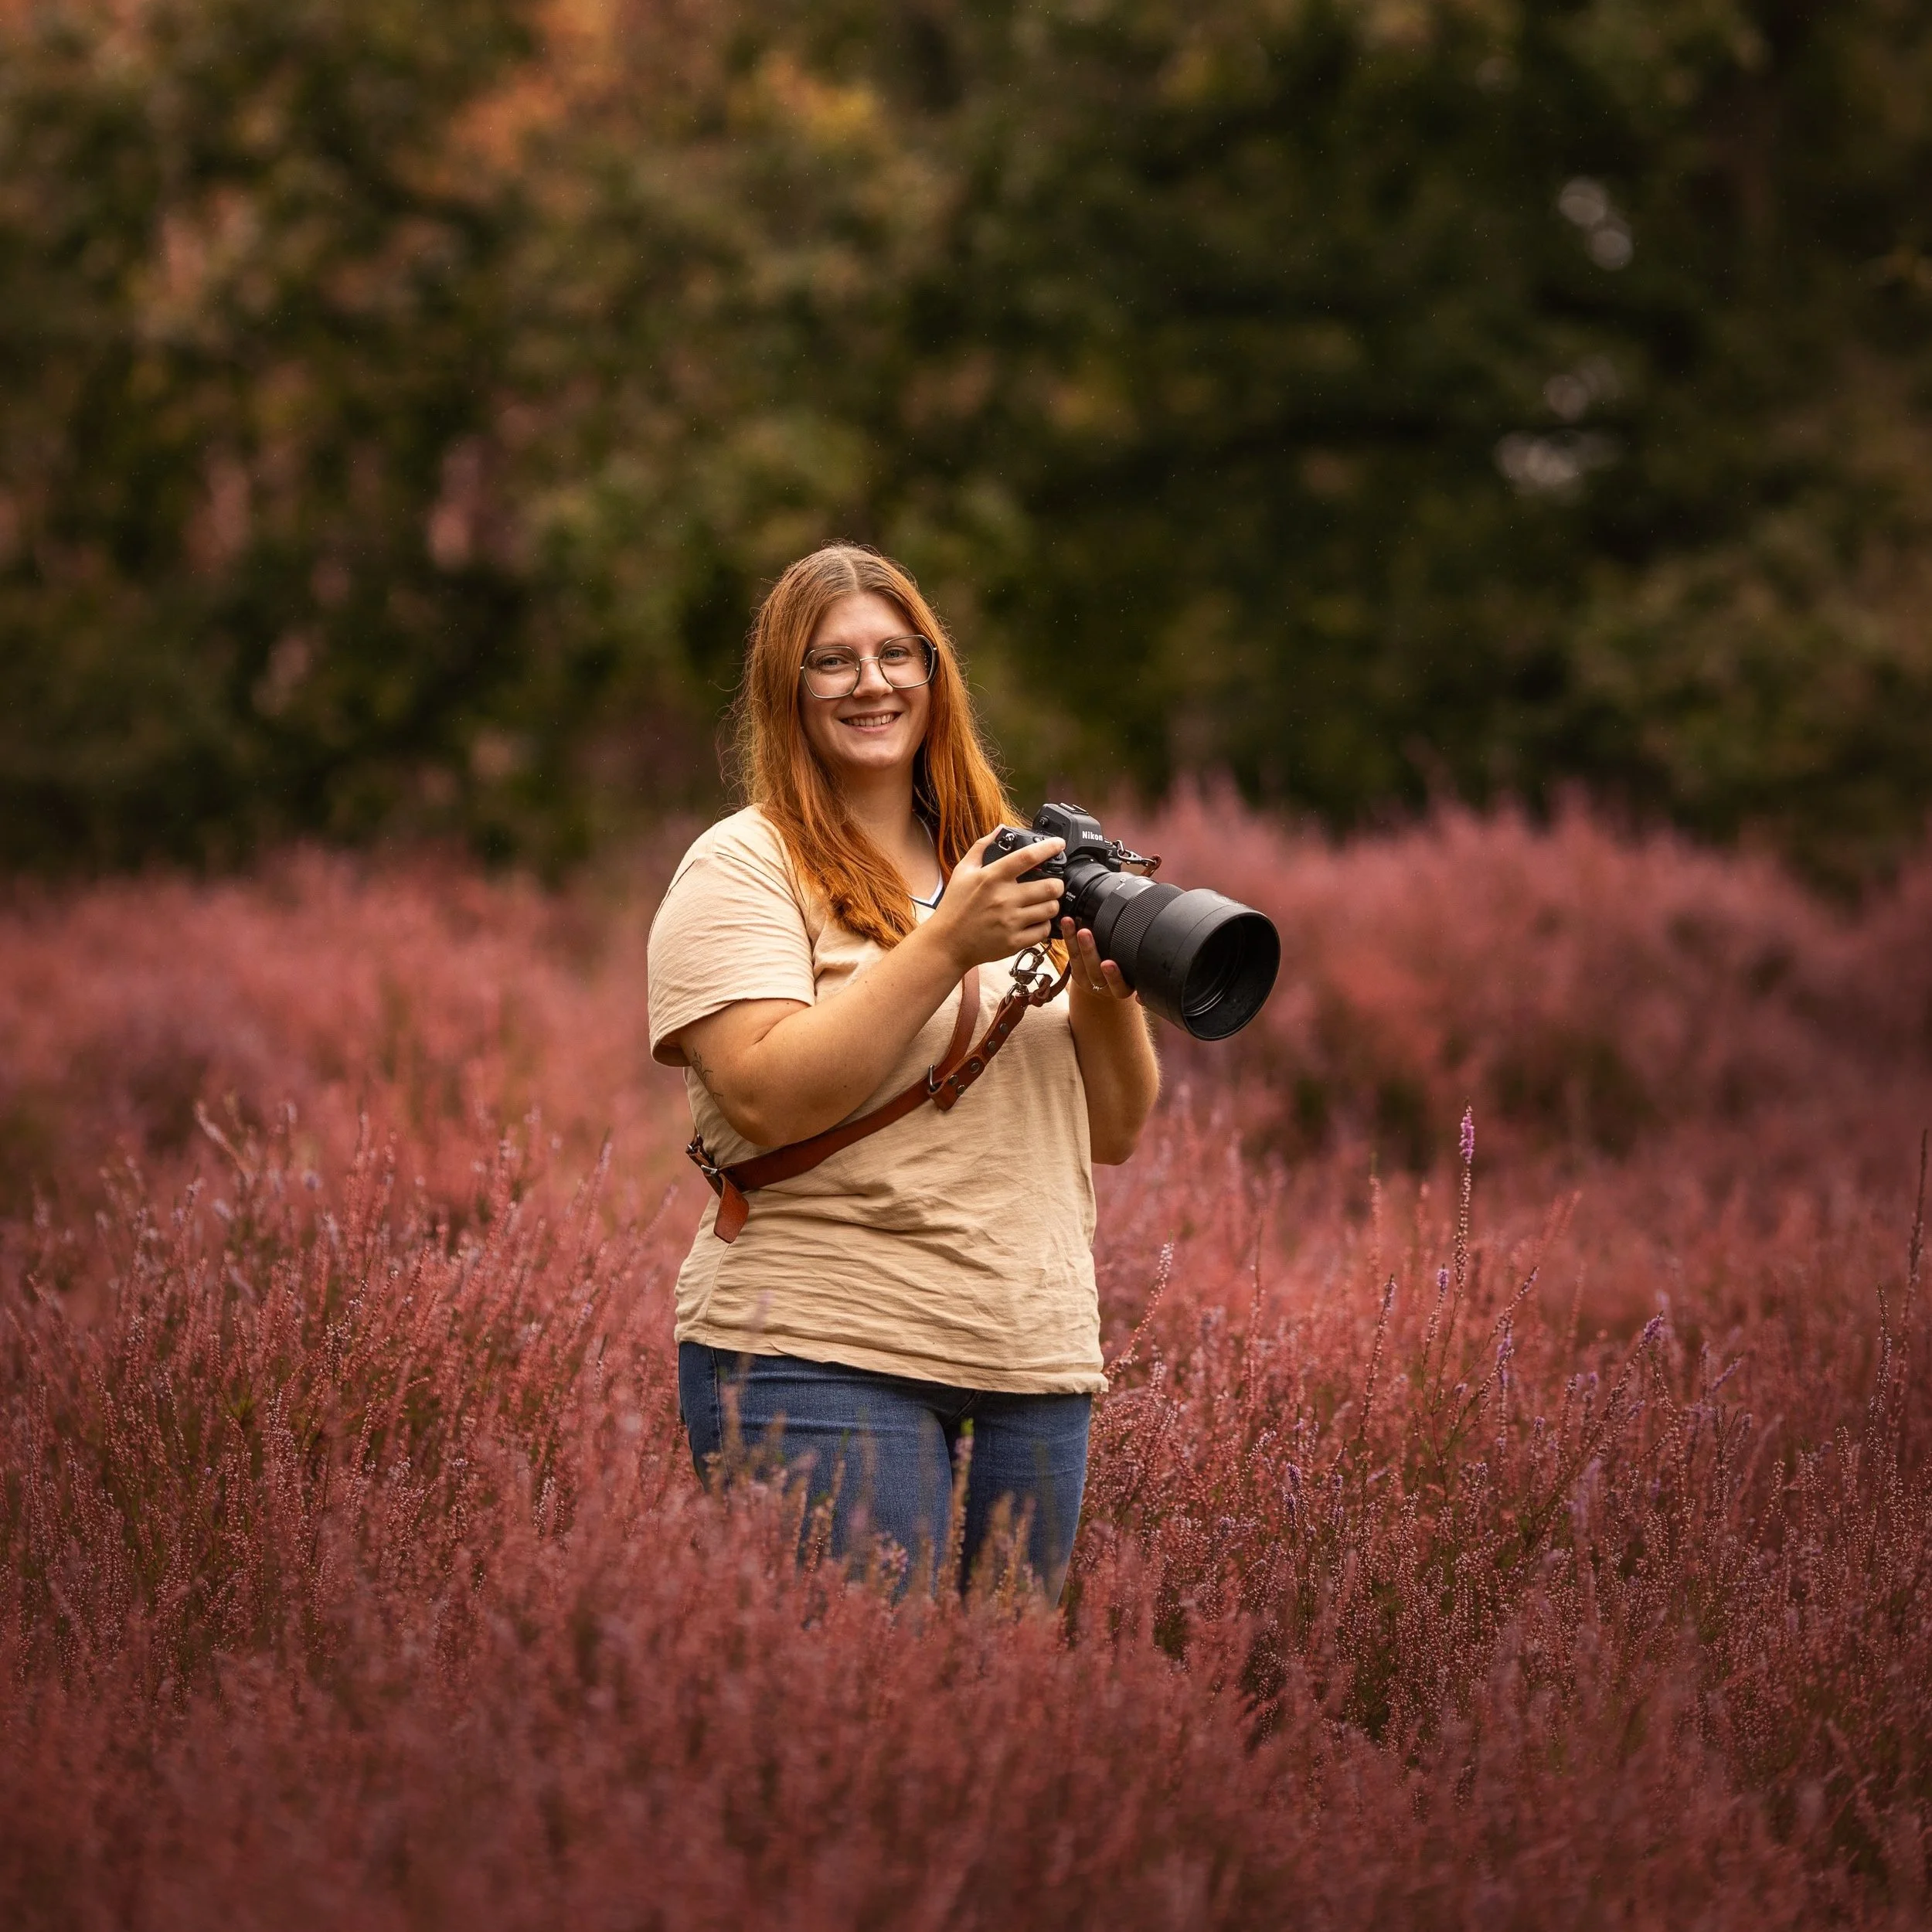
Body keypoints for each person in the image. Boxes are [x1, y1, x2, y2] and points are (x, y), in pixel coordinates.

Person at [646, 545, 1160, 1601]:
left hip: (1031, 1353)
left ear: (935, 674)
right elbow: (761, 1093)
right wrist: (943, 949)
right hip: (820, 1345)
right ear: (786, 693)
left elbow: (1109, 1131)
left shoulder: (1006, 870)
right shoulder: (743, 865)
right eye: (832, 663)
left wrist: (1106, 993)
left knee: (997, 1727)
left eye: (896, 654)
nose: (871, 683)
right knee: (870, 1710)